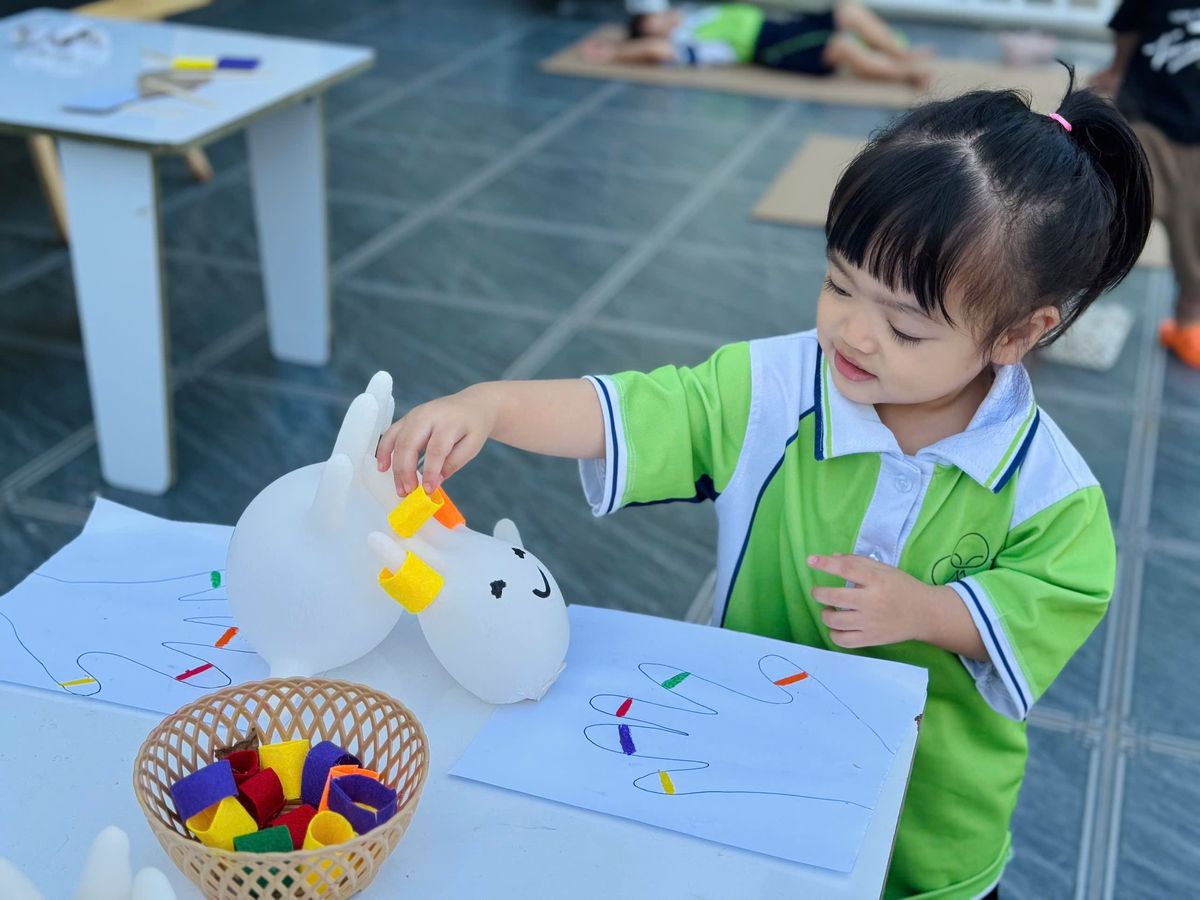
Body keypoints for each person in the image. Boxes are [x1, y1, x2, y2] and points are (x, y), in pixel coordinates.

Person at [375, 74, 1151, 899]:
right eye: (839, 284)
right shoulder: (775, 387)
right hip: (747, 768)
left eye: (904, 326)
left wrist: (928, 611)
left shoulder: (1051, 491)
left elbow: (1056, 597)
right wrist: (492, 406)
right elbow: (633, 411)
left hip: (929, 824)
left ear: (1018, 334)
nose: (853, 332)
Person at [1091, 2, 1200, 368]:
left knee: (1195, 239)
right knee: (1106, 220)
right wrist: (1116, 71)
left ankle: (1189, 322)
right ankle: (1048, 297)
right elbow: (1128, 27)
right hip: (1146, 122)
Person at [580, 2, 932, 88]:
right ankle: (905, 72)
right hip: (772, 46)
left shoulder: (691, 16)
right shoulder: (684, 44)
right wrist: (615, 53)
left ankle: (901, 54)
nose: (664, 19)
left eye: (658, 16)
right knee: (841, 47)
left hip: (781, 25)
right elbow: (655, 52)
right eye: (655, 25)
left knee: (849, 10)